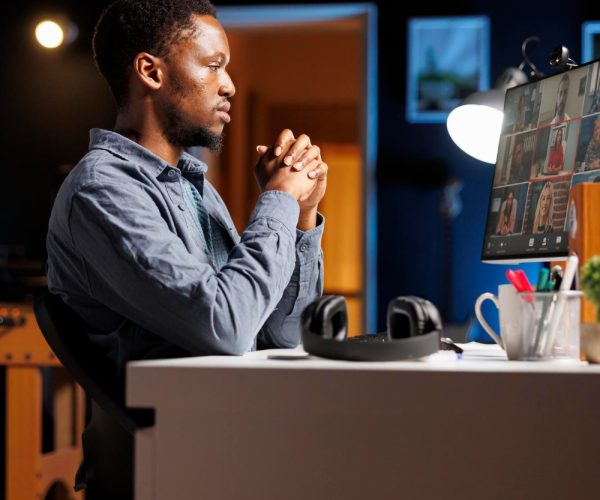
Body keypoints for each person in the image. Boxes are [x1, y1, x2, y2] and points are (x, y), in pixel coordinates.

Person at [45, 0, 327, 494]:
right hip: (165, 472)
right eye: (213, 65)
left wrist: (301, 219)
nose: (229, 85)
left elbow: (281, 337)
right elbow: (225, 327)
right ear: (150, 72)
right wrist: (279, 198)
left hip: (223, 452)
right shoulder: (102, 191)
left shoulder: (192, 187)